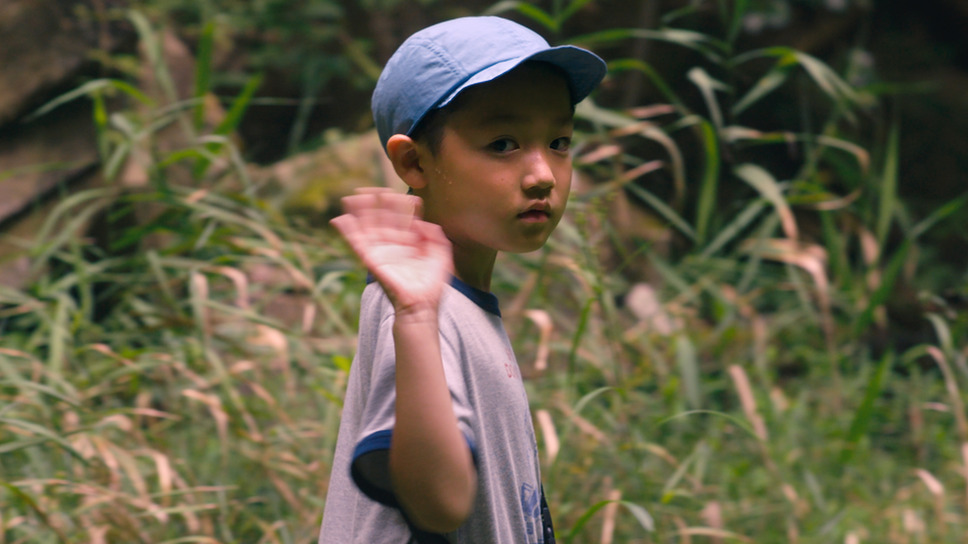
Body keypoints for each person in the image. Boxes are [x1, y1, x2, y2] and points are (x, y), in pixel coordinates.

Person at [318, 15, 606, 544]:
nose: (543, 173)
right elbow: (442, 502)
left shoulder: (456, 304)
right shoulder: (418, 308)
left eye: (560, 141)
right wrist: (417, 317)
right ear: (414, 163)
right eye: (502, 144)